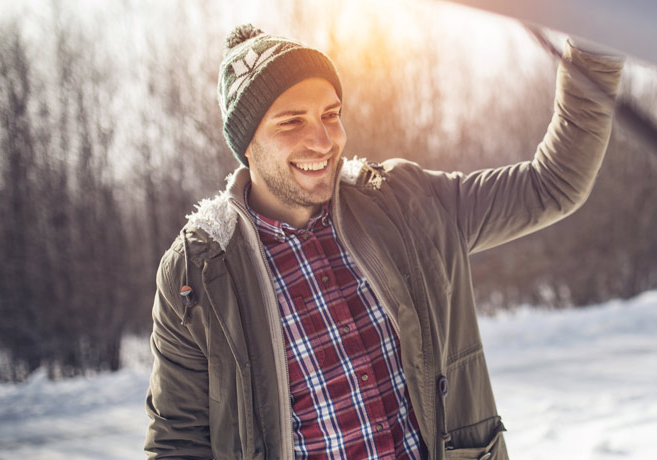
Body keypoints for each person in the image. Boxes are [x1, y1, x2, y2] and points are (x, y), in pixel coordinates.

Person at [145, 23, 624, 460]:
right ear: (246, 144)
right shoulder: (197, 274)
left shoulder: (405, 204)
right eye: (291, 122)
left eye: (330, 114)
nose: (322, 140)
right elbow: (177, 445)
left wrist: (596, 47)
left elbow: (553, 184)